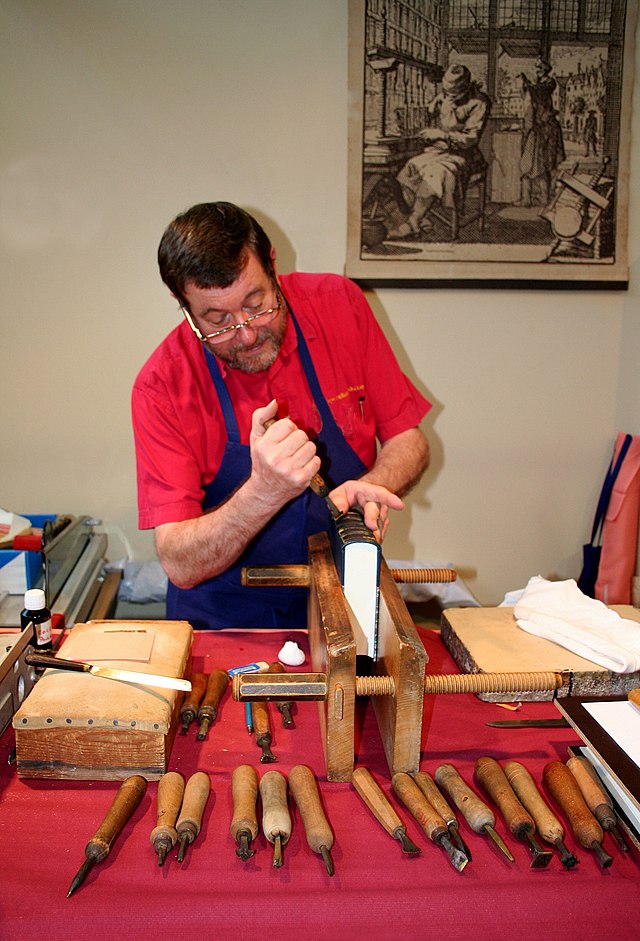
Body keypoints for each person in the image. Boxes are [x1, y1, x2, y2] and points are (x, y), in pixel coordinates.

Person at [132, 202, 431, 630]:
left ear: (271, 265)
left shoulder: (339, 305)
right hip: (223, 625)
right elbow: (179, 562)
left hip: (344, 604)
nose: (247, 333)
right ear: (182, 304)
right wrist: (263, 492)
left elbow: (409, 439)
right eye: (217, 322)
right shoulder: (161, 386)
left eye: (257, 304)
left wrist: (372, 487)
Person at [389, 63, 491, 239]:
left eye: (453, 94)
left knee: (435, 173)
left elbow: (471, 139)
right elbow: (429, 113)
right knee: (410, 167)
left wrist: (441, 134)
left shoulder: (479, 102)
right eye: (447, 92)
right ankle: (421, 217)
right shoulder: (444, 97)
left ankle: (413, 222)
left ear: (466, 87)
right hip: (438, 151)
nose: (449, 97)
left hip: (465, 155)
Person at [519, 58, 566, 207]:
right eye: (536, 67)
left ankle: (544, 198)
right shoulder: (538, 86)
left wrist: (527, 84)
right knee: (534, 165)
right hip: (539, 129)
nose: (537, 70)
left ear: (545, 69)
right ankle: (531, 198)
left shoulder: (549, 83)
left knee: (543, 165)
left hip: (547, 131)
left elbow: (540, 92)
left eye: (539, 67)